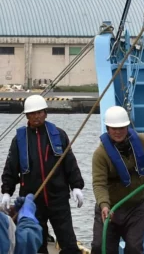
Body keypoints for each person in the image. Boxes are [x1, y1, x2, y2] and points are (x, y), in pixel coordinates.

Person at [0, 95, 85, 254]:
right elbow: (11, 168)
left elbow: (70, 164)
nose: (36, 116)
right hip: (32, 202)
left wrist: (76, 186)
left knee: (69, 245)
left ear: (45, 113)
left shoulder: (59, 135)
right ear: (26, 116)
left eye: (39, 112)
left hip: (58, 200)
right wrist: (6, 192)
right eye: (32, 113)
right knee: (38, 247)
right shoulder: (19, 140)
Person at [91, 105, 144, 254]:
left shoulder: (142, 140)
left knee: (134, 248)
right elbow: (99, 184)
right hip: (110, 209)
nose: (118, 131)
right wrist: (104, 205)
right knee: (101, 248)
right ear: (107, 128)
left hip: (135, 209)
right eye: (114, 128)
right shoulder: (100, 154)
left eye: (121, 127)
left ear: (127, 126)